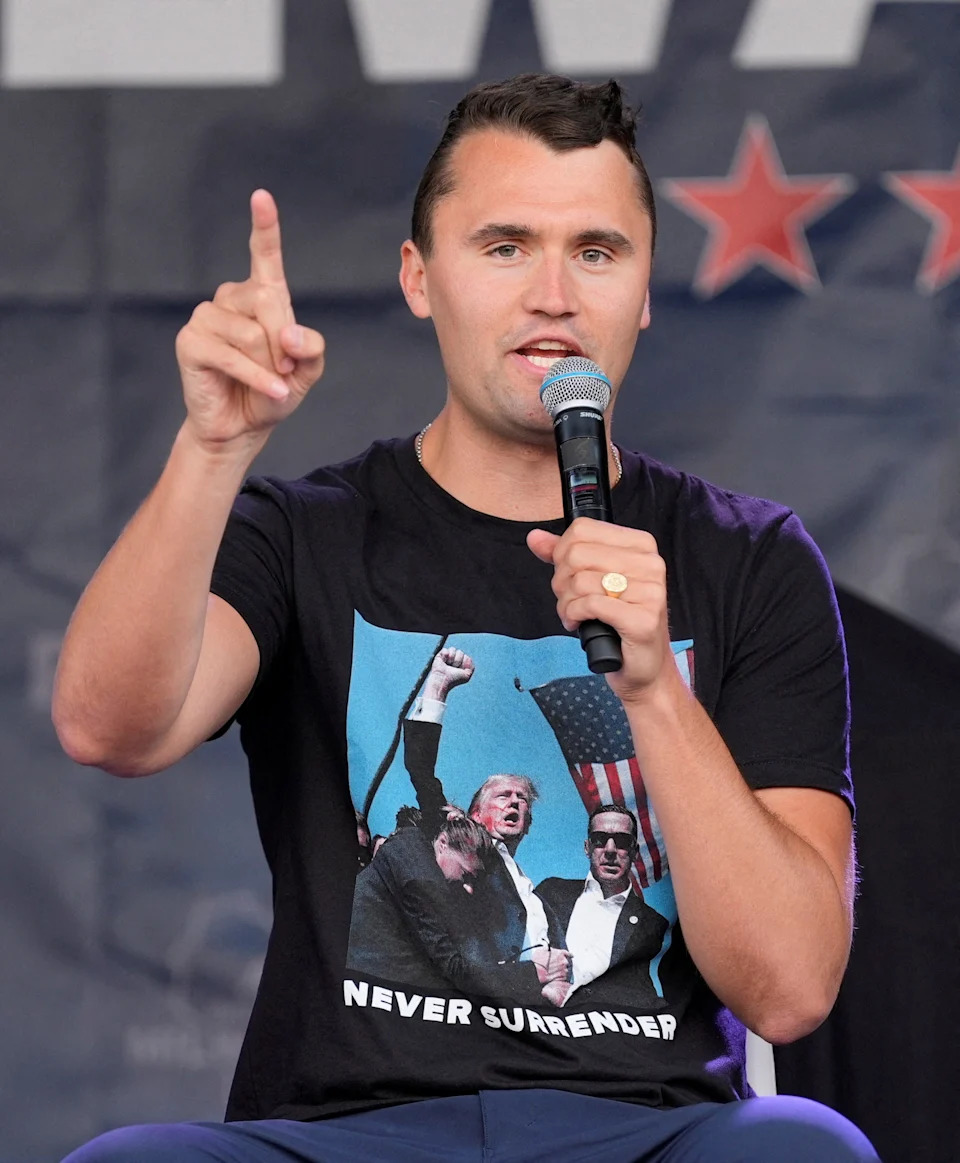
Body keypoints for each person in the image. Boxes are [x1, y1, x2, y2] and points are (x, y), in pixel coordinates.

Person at [52, 72, 878, 1162]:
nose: (552, 293)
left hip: (644, 1133)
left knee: (802, 1147)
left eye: (595, 250)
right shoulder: (308, 532)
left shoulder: (749, 557)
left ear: (642, 290)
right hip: (344, 1133)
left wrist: (652, 694)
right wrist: (212, 450)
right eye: (503, 247)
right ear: (419, 278)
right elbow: (109, 727)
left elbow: (790, 986)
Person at [536, 804, 668, 1008]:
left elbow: (643, 994)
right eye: (600, 839)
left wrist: (575, 996)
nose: (610, 850)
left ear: (635, 851)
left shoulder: (653, 925)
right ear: (587, 847)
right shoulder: (551, 893)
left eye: (622, 841)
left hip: (606, 1031)